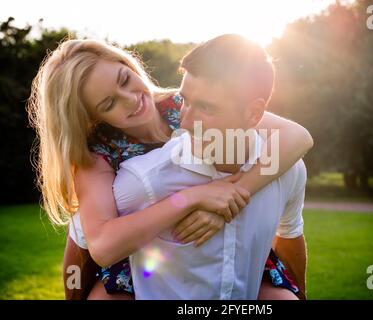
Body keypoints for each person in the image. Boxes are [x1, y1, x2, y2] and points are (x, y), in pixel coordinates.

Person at [27, 37, 312, 300]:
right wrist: (193, 198)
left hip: (227, 245)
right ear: (91, 116)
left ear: (129, 65)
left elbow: (297, 137)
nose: (132, 99)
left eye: (125, 80)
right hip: (140, 256)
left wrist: (232, 197)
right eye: (109, 103)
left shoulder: (184, 102)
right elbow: (94, 246)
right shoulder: (97, 155)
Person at [112, 34, 309, 299]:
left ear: (254, 114)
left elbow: (290, 233)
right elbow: (89, 245)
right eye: (185, 101)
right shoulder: (142, 181)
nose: (185, 122)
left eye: (205, 108)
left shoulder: (288, 171)